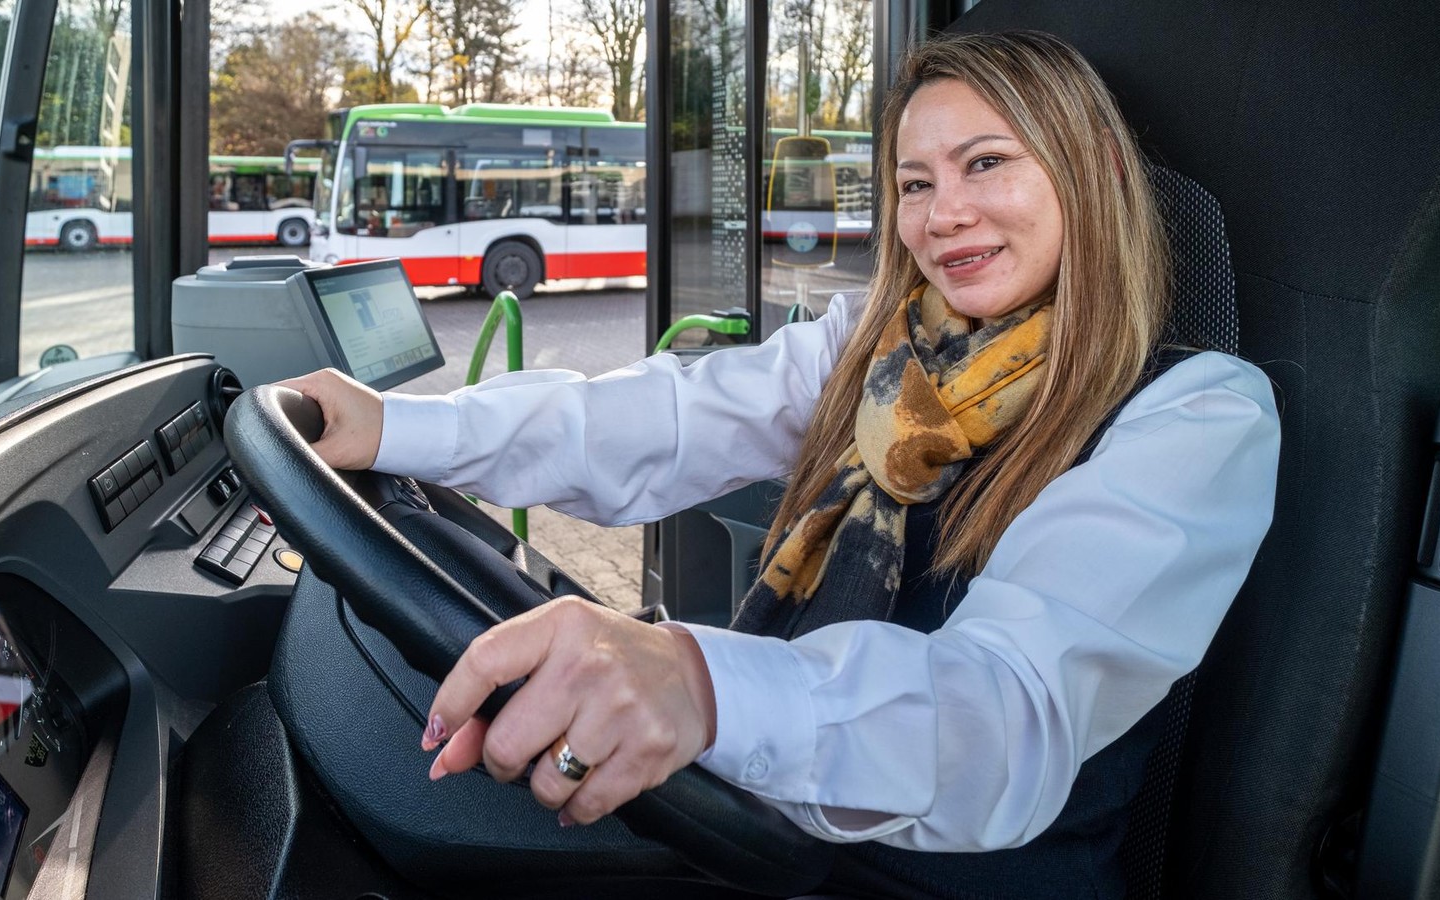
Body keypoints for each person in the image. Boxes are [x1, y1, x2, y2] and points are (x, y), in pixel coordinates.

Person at [280, 30, 1280, 897]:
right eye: (915, 183)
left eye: (987, 164)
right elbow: (659, 416)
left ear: (1095, 167)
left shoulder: (1193, 414)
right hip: (763, 832)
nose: (943, 215)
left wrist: (698, 683)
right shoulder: (875, 347)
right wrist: (396, 431)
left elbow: (1002, 711)